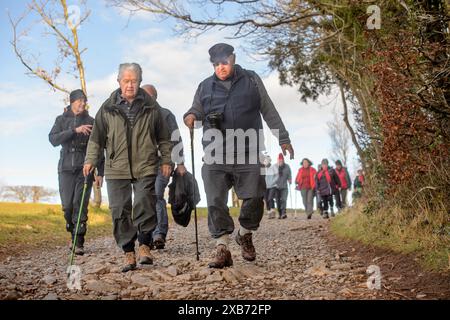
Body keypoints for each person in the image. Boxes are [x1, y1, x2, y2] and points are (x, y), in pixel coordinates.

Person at [183, 43, 294, 268]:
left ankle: (244, 234)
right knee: (215, 200)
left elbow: (268, 109)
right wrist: (191, 117)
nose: (220, 68)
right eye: (216, 64)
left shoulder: (251, 80)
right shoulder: (205, 86)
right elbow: (196, 109)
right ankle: (222, 246)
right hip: (215, 153)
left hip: (249, 151)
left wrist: (283, 138)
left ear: (233, 59)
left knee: (254, 197)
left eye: (224, 62)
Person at [83, 63, 173, 272]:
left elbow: (164, 137)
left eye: (134, 81)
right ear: (119, 82)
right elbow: (96, 139)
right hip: (116, 166)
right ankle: (128, 251)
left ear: (140, 82)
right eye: (126, 81)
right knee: (118, 210)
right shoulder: (107, 108)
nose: (130, 85)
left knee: (145, 202)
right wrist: (90, 160)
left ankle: (144, 245)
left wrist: (167, 160)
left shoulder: (152, 107)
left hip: (146, 164)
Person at [49, 89, 104, 256]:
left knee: (79, 204)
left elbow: (99, 147)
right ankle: (71, 229)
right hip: (65, 167)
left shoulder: (92, 121)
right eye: (78, 100)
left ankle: (78, 241)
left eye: (83, 101)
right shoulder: (61, 120)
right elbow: (53, 139)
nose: (81, 103)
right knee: (67, 206)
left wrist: (100, 172)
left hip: (84, 168)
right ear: (71, 101)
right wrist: (74, 130)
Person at [142, 84, 186, 250]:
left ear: (154, 97)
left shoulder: (166, 114)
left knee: (157, 194)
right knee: (145, 197)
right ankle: (147, 234)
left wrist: (180, 163)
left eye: (146, 95)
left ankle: (159, 233)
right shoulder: (138, 115)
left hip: (163, 163)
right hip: (144, 164)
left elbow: (176, 138)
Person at [275, 153, 292, 219]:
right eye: (279, 160)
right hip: (276, 187)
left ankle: (283, 213)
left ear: (283, 160)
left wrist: (290, 179)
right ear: (277, 160)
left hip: (284, 187)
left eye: (281, 160)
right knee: (277, 201)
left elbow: (289, 174)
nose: (280, 162)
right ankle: (279, 213)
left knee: (284, 199)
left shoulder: (287, 167)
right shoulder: (275, 167)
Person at [263, 155, 278, 219]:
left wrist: (273, 182)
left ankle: (272, 211)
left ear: (269, 161)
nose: (265, 162)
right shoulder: (262, 169)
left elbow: (277, 176)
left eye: (266, 160)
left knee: (270, 198)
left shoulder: (273, 167)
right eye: (264, 161)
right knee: (266, 199)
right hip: (265, 186)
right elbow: (262, 178)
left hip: (272, 186)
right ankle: (269, 212)